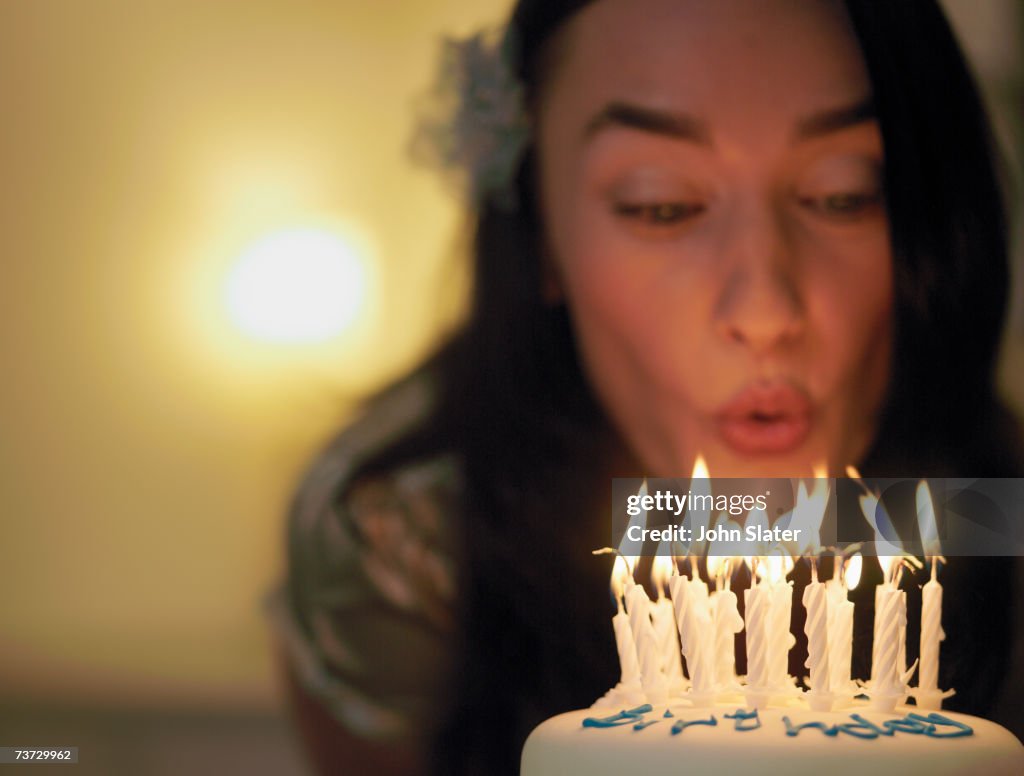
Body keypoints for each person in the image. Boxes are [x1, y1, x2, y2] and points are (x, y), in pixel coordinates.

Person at [265, 1, 1024, 774]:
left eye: (844, 193)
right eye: (661, 205)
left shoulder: (992, 515)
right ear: (542, 237)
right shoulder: (410, 542)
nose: (765, 310)